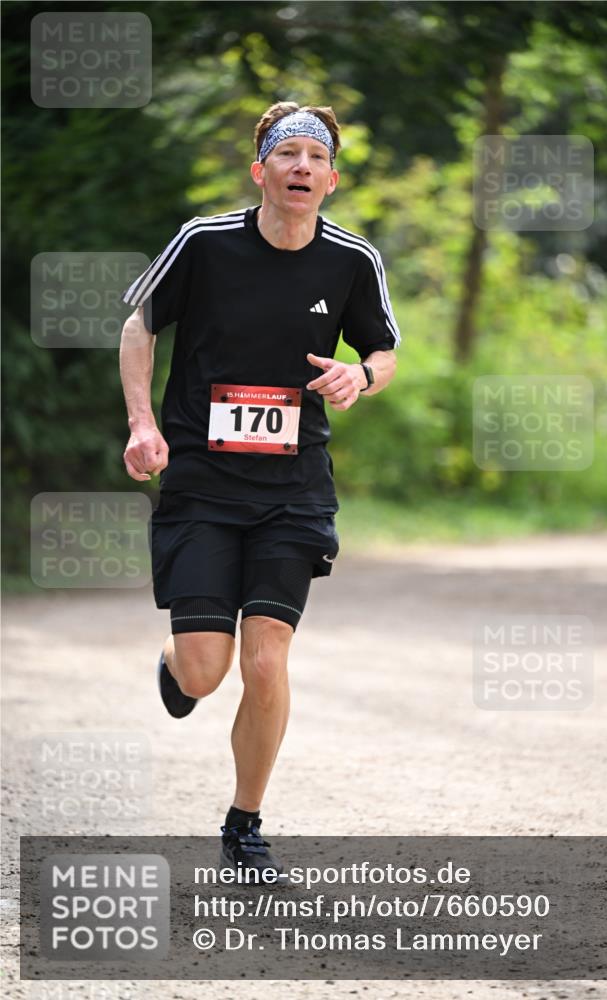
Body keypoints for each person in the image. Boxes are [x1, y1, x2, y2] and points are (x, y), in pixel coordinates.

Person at [119, 102, 400, 878]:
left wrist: (361, 374)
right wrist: (144, 425)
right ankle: (178, 668)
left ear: (332, 180)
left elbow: (382, 348)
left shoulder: (351, 261)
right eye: (288, 155)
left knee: (267, 661)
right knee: (206, 672)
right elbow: (140, 323)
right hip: (204, 484)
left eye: (316, 157)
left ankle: (244, 824)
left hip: (294, 489)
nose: (301, 167)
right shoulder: (204, 243)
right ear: (261, 171)